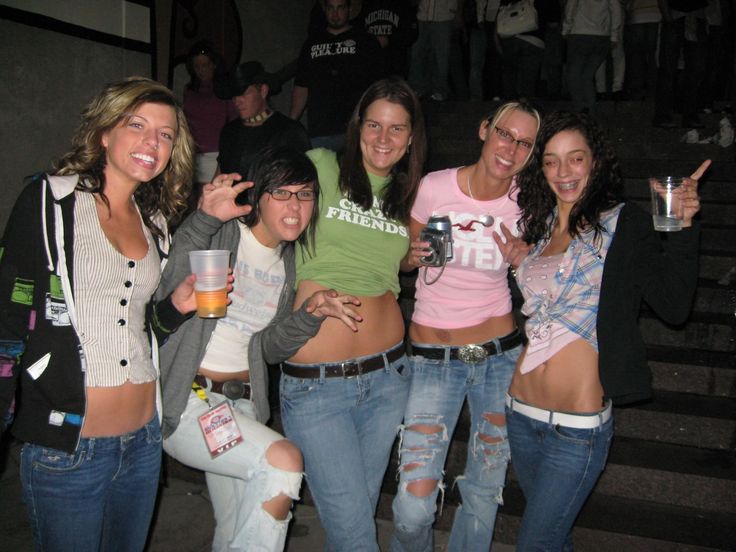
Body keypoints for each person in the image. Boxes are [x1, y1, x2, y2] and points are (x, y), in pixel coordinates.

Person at [0, 77, 199, 551]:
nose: (153, 142)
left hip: (144, 441)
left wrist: (176, 308)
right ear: (104, 133)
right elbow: (10, 317)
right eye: (137, 125)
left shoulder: (155, 226)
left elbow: (137, 327)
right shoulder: (50, 202)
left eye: (166, 134)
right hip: (68, 443)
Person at [508, 110, 709, 550]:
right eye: (551, 160)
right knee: (552, 539)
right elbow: (542, 308)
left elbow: (673, 306)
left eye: (575, 158)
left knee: (534, 543)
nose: (563, 172)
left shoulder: (622, 224)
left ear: (595, 162)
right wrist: (520, 265)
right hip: (520, 414)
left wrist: (683, 228)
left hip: (576, 428)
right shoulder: (539, 230)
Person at [155, 146, 362, 551]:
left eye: (305, 195)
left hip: (242, 407)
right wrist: (204, 218)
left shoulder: (288, 265)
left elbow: (266, 349)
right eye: (281, 193)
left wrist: (310, 314)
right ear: (258, 198)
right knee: (283, 462)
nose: (295, 206)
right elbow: (170, 283)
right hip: (193, 400)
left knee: (235, 527)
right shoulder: (225, 234)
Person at [279, 76, 427, 551]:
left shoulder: (408, 196)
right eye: (374, 124)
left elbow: (389, 265)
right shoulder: (322, 166)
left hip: (388, 379)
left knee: (355, 521)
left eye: (397, 129)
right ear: (357, 126)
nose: (383, 138)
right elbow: (268, 203)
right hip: (317, 384)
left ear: (410, 139)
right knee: (355, 534)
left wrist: (409, 259)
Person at [391, 101, 541, 552]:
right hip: (435, 359)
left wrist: (525, 263)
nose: (510, 148)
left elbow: (541, 277)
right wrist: (409, 256)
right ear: (484, 130)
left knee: (483, 490)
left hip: (494, 356)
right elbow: (401, 258)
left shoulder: (528, 203)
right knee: (413, 506)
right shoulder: (435, 187)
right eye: (504, 133)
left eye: (524, 142)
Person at [291, 0, 384, 151]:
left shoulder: (365, 41)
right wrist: (292, 121)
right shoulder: (312, 43)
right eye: (330, 8)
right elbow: (302, 85)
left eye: (340, 8)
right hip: (320, 129)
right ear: (325, 10)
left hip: (355, 128)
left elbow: (378, 85)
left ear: (349, 9)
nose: (335, 14)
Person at [216, 61, 310, 176]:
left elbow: (303, 178)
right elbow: (220, 172)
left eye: (244, 93)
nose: (237, 100)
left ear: (263, 91)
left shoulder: (289, 131)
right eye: (234, 95)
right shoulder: (229, 132)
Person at [183, 40, 238, 186]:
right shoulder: (189, 91)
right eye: (197, 66)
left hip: (217, 154)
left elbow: (234, 121)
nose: (201, 70)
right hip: (193, 156)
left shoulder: (225, 90)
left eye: (205, 65)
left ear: (214, 65)